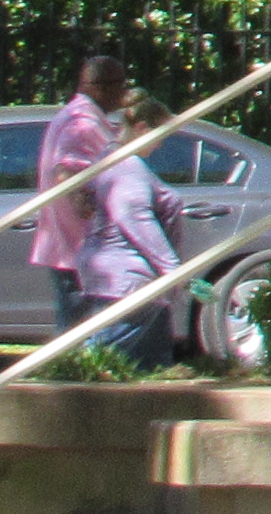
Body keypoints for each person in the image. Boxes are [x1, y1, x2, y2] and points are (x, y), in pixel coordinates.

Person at [75, 92, 190, 367]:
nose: (162, 144)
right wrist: (173, 269)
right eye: (162, 135)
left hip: (118, 275)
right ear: (141, 129)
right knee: (102, 361)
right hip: (130, 278)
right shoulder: (128, 166)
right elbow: (133, 215)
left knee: (150, 363)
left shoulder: (110, 156)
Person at [27, 52, 127, 333]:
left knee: (79, 324)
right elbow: (69, 175)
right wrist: (95, 216)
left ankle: (76, 369)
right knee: (79, 328)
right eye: (121, 84)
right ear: (98, 87)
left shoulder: (78, 117)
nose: (125, 92)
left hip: (74, 245)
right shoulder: (82, 125)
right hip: (80, 246)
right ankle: (74, 373)